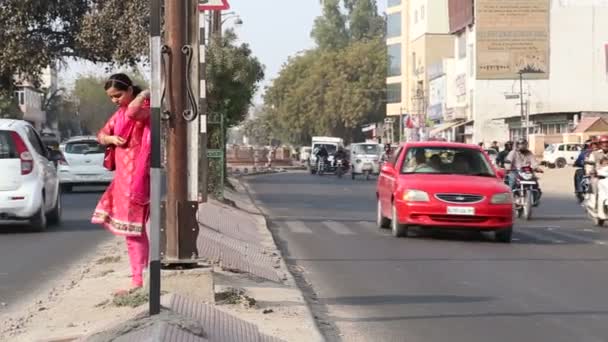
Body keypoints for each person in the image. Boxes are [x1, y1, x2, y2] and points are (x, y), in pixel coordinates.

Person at [92, 73, 151, 294]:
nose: (115, 100)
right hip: (123, 179)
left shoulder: (144, 108)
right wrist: (110, 139)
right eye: (111, 97)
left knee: (134, 231)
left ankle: (139, 279)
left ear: (129, 91)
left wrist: (144, 92)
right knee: (132, 232)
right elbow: (101, 134)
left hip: (138, 177)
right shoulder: (118, 115)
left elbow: (134, 111)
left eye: (118, 95)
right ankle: (139, 276)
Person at [586, 135, 608, 208]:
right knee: (595, 182)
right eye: (603, 143)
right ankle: (595, 202)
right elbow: (589, 165)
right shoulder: (594, 154)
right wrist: (589, 171)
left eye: (607, 143)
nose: (605, 144)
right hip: (598, 176)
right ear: (600, 144)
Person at [574, 137, 598, 202]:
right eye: (593, 145)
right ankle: (580, 191)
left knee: (579, 172)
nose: (595, 147)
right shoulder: (587, 153)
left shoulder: (586, 152)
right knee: (580, 172)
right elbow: (580, 161)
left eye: (596, 145)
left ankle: (579, 191)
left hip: (598, 172)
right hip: (591, 172)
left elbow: (579, 161)